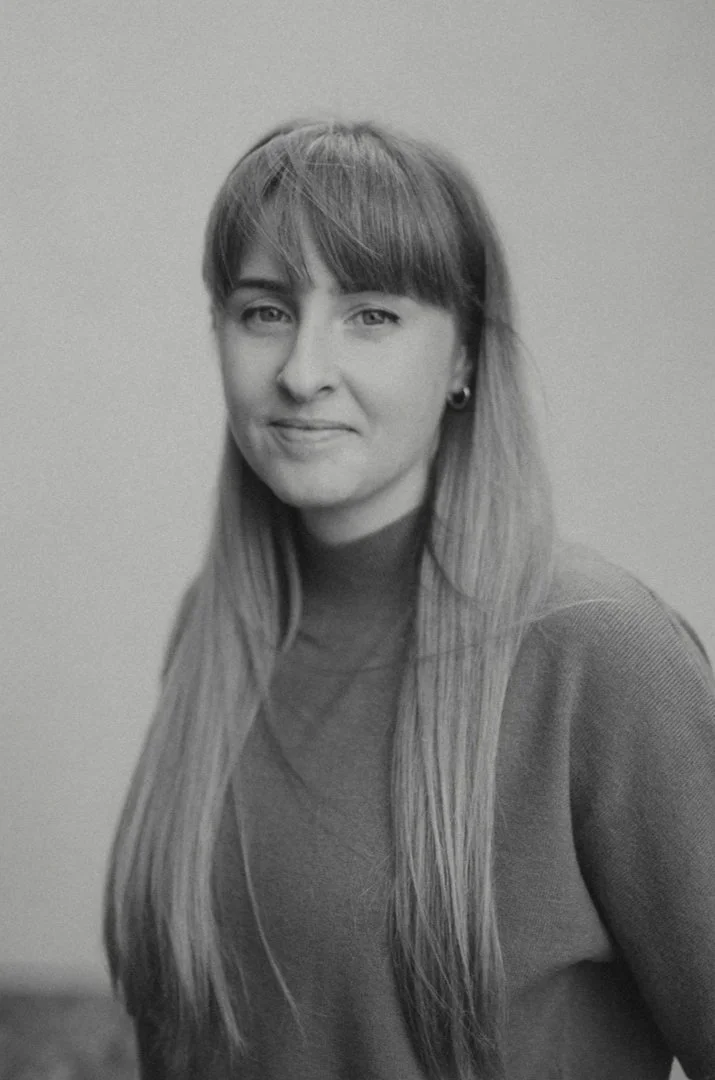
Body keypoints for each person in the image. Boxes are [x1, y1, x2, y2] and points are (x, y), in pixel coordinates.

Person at [103, 119, 715, 1080]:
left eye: (371, 315)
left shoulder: (600, 652)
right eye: (265, 310)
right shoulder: (212, 632)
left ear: (463, 358)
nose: (303, 372)